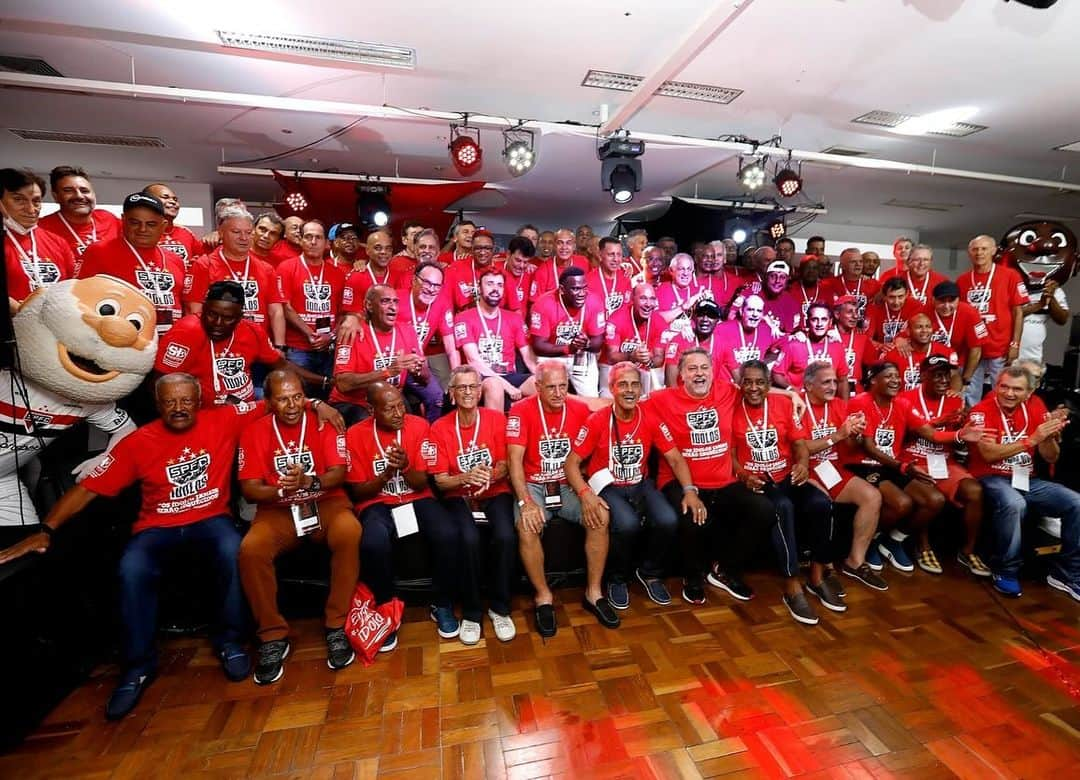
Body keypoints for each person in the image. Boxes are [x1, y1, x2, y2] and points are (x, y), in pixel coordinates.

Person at [0, 375, 256, 719]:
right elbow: (88, 488)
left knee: (233, 549)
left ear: (198, 402)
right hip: (156, 528)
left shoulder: (223, 419)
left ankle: (230, 643)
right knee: (131, 568)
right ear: (158, 404)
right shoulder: (138, 442)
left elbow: (279, 401)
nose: (178, 408)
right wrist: (46, 528)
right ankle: (137, 667)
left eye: (185, 401)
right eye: (170, 402)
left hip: (211, 519)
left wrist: (318, 403)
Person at [237, 370, 360, 683]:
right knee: (251, 550)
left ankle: (337, 624)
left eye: (296, 397)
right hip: (277, 508)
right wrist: (283, 490)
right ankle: (272, 635)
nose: (291, 405)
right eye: (282, 399)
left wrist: (310, 481)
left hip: (325, 501)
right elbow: (249, 488)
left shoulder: (323, 421)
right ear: (268, 402)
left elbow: (338, 473)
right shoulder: (254, 431)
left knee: (350, 530)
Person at [644, 349, 781, 605]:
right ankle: (692, 577)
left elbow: (759, 391)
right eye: (692, 368)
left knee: (764, 510)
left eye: (704, 368)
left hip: (723, 479)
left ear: (713, 370)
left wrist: (794, 394)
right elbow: (620, 402)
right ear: (681, 375)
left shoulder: (728, 391)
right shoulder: (661, 399)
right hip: (679, 480)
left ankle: (725, 570)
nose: (699, 373)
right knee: (694, 516)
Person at [565, 362, 702, 609]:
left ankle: (649, 572)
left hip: (640, 483)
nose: (629, 390)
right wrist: (585, 494)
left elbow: (674, 457)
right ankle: (617, 578)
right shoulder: (597, 420)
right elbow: (571, 464)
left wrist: (690, 490)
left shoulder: (650, 417)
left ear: (641, 390)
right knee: (627, 525)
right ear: (611, 388)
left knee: (668, 520)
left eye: (635, 384)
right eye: (623, 384)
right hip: (608, 486)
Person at [344, 382, 463, 648]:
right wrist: (386, 474)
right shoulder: (354, 435)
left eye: (401, 405)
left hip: (416, 497)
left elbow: (421, 483)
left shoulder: (419, 426)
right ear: (371, 410)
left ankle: (442, 603)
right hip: (377, 501)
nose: (399, 413)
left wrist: (406, 465)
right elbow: (358, 493)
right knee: (373, 541)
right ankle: (386, 606)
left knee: (448, 533)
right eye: (389, 409)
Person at [506, 362, 612, 636]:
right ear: (537, 387)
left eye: (562, 386)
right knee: (527, 526)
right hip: (534, 484)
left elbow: (607, 407)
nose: (557, 393)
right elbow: (514, 462)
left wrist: (587, 492)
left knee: (600, 516)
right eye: (550, 386)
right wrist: (525, 501)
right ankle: (543, 596)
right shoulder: (521, 410)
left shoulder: (578, 408)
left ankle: (594, 592)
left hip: (567, 484)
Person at [731, 360, 838, 624]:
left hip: (787, 475)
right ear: (740, 384)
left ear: (769, 385)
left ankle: (816, 576)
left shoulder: (782, 404)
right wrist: (744, 475)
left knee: (822, 503)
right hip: (758, 481)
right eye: (748, 381)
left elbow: (799, 443)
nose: (754, 387)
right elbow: (730, 455)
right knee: (783, 507)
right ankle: (792, 585)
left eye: (760, 382)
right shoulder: (731, 407)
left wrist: (802, 464)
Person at [967, 366, 1078, 600]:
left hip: (1027, 478)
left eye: (1017, 389)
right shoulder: (980, 411)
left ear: (1029, 393)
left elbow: (1051, 457)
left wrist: (1048, 437)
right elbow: (988, 454)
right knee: (1014, 503)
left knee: (1076, 502)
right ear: (996, 386)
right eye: (1004, 386)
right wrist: (1032, 440)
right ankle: (1006, 569)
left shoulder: (1036, 406)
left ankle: (1067, 573)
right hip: (991, 476)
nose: (1008, 393)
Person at [429, 366, 518, 643]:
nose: (468, 392)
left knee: (505, 535)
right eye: (461, 388)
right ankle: (471, 612)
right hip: (459, 496)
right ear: (451, 394)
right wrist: (467, 477)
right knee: (468, 539)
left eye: (472, 387)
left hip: (495, 491)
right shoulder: (439, 427)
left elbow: (505, 465)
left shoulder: (496, 419)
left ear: (480, 392)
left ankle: (501, 608)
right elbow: (441, 482)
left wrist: (488, 475)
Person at [155, 281, 329, 404]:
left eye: (228, 318)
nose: (218, 323)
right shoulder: (187, 331)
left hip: (247, 405)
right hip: (206, 413)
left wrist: (325, 381)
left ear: (239, 318)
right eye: (212, 314)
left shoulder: (251, 330)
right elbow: (159, 383)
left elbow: (281, 365)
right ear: (204, 309)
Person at [845, 363, 944, 576]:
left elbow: (930, 433)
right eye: (889, 376)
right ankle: (870, 540)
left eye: (897, 376)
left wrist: (959, 435)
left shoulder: (902, 404)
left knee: (934, 500)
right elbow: (868, 448)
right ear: (873, 380)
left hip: (892, 465)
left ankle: (892, 540)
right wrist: (904, 467)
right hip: (863, 465)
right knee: (902, 504)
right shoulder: (859, 402)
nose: (896, 381)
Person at [799, 362, 887, 591]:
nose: (833, 386)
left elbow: (848, 445)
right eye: (826, 382)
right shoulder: (797, 406)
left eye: (835, 381)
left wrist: (855, 433)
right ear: (809, 385)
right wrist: (838, 435)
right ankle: (824, 566)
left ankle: (855, 562)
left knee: (872, 496)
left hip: (831, 468)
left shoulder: (838, 405)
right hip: (802, 468)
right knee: (822, 503)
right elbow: (801, 449)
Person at [899, 355, 990, 576]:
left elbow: (962, 433)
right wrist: (948, 429)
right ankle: (923, 546)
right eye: (937, 375)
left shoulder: (954, 400)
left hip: (943, 461)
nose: (943, 380)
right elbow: (900, 434)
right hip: (914, 458)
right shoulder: (905, 398)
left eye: (946, 375)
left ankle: (967, 551)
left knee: (974, 490)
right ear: (923, 376)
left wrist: (963, 423)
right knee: (932, 497)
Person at [76, 192, 187, 334]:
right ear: (123, 220)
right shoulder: (98, 252)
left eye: (151, 224)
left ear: (163, 225)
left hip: (165, 343)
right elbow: (78, 302)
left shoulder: (175, 260)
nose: (142, 229)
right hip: (119, 343)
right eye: (134, 222)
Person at [186, 204, 286, 345]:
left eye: (248, 232)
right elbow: (195, 311)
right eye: (236, 232)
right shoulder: (204, 265)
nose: (244, 238)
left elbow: (276, 311)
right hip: (219, 345)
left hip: (258, 345)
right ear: (220, 232)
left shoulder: (267, 269)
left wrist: (280, 346)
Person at [331, 285, 431, 425]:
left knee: (414, 425)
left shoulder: (408, 331)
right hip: (355, 403)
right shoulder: (352, 332)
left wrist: (420, 370)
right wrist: (387, 371)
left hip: (392, 400)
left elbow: (425, 380)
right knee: (368, 423)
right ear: (369, 306)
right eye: (385, 301)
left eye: (395, 302)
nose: (393, 307)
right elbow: (343, 383)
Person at [958, 235, 1029, 405]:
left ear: (993, 250)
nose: (979, 253)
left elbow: (1018, 312)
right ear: (969, 253)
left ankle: (1001, 426)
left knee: (1004, 391)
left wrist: (1015, 344)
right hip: (972, 348)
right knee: (969, 394)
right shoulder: (963, 280)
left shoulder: (1010, 275)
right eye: (975, 249)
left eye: (984, 249)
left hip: (1000, 346)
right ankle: (972, 425)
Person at [455, 267, 537, 410]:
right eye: (490, 284)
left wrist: (543, 376)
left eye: (499, 285)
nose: (495, 289)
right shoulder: (464, 318)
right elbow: (474, 361)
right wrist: (507, 386)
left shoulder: (514, 318)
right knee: (495, 385)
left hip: (509, 374)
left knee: (540, 384)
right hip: (481, 377)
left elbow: (527, 356)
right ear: (479, 288)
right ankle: (495, 432)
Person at [276, 220, 348, 380]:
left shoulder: (338, 273)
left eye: (318, 237)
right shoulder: (286, 267)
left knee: (329, 393)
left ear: (326, 243)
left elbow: (343, 312)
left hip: (329, 347)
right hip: (298, 348)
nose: (313, 242)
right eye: (308, 237)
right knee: (300, 396)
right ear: (301, 240)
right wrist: (310, 334)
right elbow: (285, 307)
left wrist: (331, 336)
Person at [1, 167, 74, 307]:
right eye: (19, 200)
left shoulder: (58, 242)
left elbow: (72, 289)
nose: (31, 209)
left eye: (36, 201)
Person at [529, 266, 605, 396]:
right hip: (552, 355)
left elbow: (598, 342)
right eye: (575, 289)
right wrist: (568, 349)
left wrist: (587, 344)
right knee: (550, 396)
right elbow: (538, 346)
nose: (582, 293)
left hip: (581, 355)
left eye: (584, 288)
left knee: (590, 398)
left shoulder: (594, 301)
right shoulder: (543, 303)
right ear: (562, 290)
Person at [38, 166, 120, 263]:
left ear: (93, 194)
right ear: (56, 196)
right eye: (68, 190)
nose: (79, 196)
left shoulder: (109, 219)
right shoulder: (42, 227)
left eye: (84, 191)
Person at [396, 261, 457, 388]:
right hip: (394, 362)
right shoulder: (395, 299)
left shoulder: (442, 304)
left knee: (437, 397)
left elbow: (451, 347)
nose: (431, 289)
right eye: (427, 283)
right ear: (414, 280)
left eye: (436, 285)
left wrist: (458, 376)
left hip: (419, 364)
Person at [601, 282, 667, 396]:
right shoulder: (616, 319)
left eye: (652, 299)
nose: (648, 304)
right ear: (632, 299)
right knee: (607, 398)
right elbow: (611, 357)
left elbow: (659, 359)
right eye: (643, 298)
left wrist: (649, 360)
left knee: (655, 394)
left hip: (643, 369)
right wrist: (631, 356)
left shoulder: (660, 322)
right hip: (614, 368)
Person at [771, 302, 851, 397]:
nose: (819, 324)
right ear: (807, 322)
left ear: (830, 322)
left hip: (825, 402)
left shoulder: (837, 346)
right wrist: (791, 389)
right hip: (800, 401)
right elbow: (777, 374)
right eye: (814, 319)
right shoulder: (794, 345)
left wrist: (845, 408)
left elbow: (843, 380)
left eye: (824, 319)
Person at [924, 281, 987, 393]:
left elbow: (976, 349)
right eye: (942, 301)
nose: (947, 306)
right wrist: (900, 340)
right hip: (932, 365)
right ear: (933, 300)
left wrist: (966, 380)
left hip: (963, 364)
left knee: (968, 399)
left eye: (951, 301)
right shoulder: (923, 312)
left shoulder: (970, 313)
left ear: (959, 300)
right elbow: (905, 336)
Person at [712, 294, 783, 382]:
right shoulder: (723, 329)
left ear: (762, 315)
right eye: (750, 310)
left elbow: (788, 343)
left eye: (759, 311)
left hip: (751, 386)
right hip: (727, 387)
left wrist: (798, 334)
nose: (754, 314)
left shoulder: (767, 331)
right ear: (741, 311)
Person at [882, 313, 958, 392]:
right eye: (919, 327)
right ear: (908, 331)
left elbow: (955, 375)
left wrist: (954, 391)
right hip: (903, 401)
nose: (924, 330)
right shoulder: (893, 354)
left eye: (928, 327)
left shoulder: (946, 352)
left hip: (933, 401)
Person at [664, 300, 725, 387]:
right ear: (694, 317)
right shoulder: (681, 340)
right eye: (701, 314)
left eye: (711, 315)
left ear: (717, 320)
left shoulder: (722, 342)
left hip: (710, 396)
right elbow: (670, 382)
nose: (705, 319)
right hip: (684, 397)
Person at [141, 183, 202, 267]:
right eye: (165, 197)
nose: (173, 202)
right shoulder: (139, 232)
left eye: (175, 199)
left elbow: (202, 258)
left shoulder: (186, 233)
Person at [444, 228, 499, 311]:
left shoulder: (501, 272)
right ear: (472, 249)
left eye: (487, 248)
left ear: (493, 249)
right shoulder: (455, 268)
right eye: (478, 248)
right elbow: (446, 302)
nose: (482, 252)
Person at [1019, 278, 1069, 365]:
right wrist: (1040, 304)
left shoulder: (1054, 289)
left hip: (1033, 356)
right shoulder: (1013, 282)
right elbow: (1009, 314)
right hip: (1007, 352)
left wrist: (1051, 296)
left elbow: (1062, 319)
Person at [821, 248, 879, 322]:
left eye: (860, 261)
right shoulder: (828, 284)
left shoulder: (874, 285)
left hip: (862, 331)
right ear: (842, 266)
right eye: (853, 262)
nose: (858, 264)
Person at [530, 228, 590, 300]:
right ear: (555, 246)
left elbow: (590, 292)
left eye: (568, 243)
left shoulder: (583, 263)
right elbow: (535, 303)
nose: (564, 247)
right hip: (551, 310)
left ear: (574, 246)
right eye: (560, 243)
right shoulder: (543, 270)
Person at [864, 277, 921, 351]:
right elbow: (866, 338)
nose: (896, 302)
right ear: (884, 296)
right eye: (891, 297)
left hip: (906, 350)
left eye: (900, 297)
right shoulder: (874, 308)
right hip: (882, 353)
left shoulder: (916, 306)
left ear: (907, 294)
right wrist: (880, 346)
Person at [881, 244, 948, 306]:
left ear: (931, 262)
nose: (921, 263)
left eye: (926, 260)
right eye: (917, 259)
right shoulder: (895, 280)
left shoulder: (942, 281)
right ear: (909, 261)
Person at [344, 229, 398, 304]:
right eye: (378, 248)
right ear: (367, 250)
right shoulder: (355, 278)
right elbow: (351, 314)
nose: (384, 252)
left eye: (388, 248)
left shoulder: (398, 277)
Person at [656, 252, 705, 328]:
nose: (685, 273)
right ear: (671, 271)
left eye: (689, 269)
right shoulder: (660, 290)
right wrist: (683, 307)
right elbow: (656, 320)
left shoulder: (699, 292)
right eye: (681, 269)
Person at [586, 237, 632, 317]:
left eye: (619, 254)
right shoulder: (588, 281)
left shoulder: (625, 276)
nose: (616, 259)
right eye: (611, 254)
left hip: (620, 327)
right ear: (600, 255)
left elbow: (629, 307)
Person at [759, 260, 802, 333]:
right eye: (773, 276)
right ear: (766, 277)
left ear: (787, 280)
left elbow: (790, 332)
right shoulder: (754, 291)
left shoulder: (790, 302)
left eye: (782, 277)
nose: (777, 281)